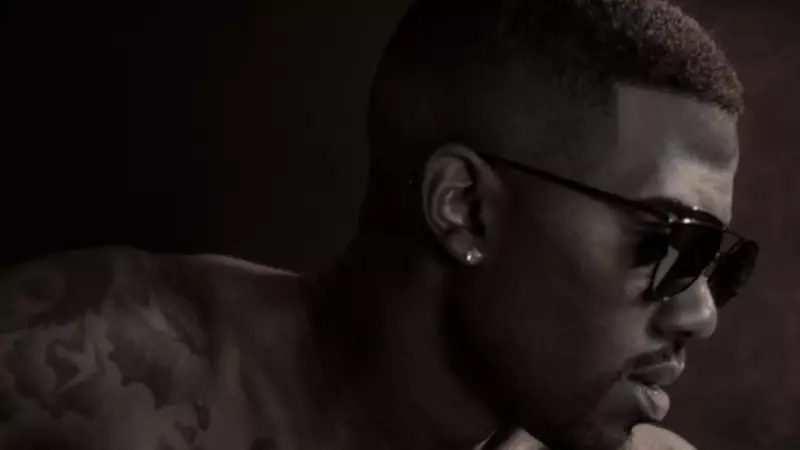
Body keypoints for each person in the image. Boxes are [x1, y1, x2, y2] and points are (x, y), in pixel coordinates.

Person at [0, 0, 760, 449]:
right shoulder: (78, 368)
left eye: (716, 260)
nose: (701, 314)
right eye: (670, 240)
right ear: (465, 208)